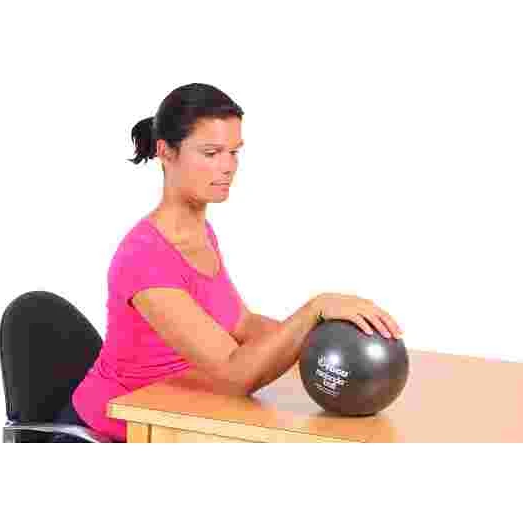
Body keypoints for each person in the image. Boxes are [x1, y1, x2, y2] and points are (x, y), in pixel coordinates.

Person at [71, 82, 404, 443]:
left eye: (234, 152)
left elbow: (241, 323)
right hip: (124, 429)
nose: (228, 166)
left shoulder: (200, 234)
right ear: (165, 151)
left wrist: (333, 346)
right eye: (211, 153)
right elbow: (235, 374)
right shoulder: (144, 258)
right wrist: (315, 310)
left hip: (183, 410)